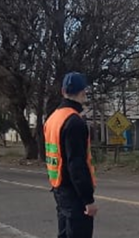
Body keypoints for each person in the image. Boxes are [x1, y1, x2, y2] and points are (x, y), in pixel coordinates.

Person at [45, 72, 97, 238]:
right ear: (83, 92)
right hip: (73, 192)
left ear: (62, 91)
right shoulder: (74, 121)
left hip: (58, 187)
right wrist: (88, 199)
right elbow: (76, 164)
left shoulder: (53, 119)